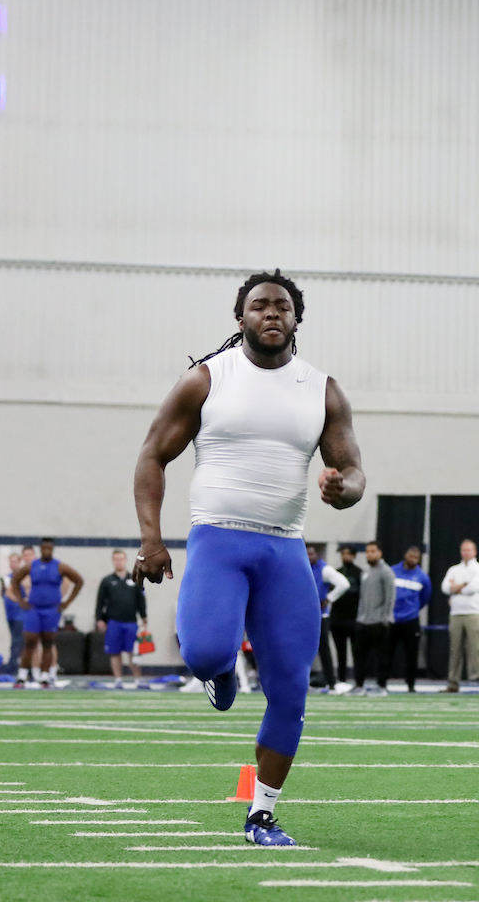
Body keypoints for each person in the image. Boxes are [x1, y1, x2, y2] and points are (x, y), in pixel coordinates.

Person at [133, 270, 365, 847]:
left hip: (285, 549)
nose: (271, 314)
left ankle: (261, 814)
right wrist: (151, 540)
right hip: (218, 539)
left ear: (296, 319)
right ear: (240, 318)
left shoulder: (323, 389)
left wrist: (346, 488)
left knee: (291, 688)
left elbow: (355, 470)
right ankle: (218, 678)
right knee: (208, 650)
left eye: (282, 307)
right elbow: (151, 456)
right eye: (259, 305)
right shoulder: (208, 379)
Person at [11, 537, 84, 688]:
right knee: (30, 640)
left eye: (49, 548)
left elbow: (78, 580)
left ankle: (45, 676)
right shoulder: (32, 566)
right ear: (40, 549)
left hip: (52, 609)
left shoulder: (60, 566)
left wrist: (67, 602)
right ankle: (22, 675)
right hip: (34, 609)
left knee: (47, 642)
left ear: (53, 549)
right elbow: (15, 579)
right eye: (44, 548)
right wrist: (20, 599)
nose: (46, 551)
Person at [96, 549, 148, 688]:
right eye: (116, 559)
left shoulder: (135, 579)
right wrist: (99, 619)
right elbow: (100, 601)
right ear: (113, 561)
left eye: (121, 559)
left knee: (134, 652)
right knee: (115, 652)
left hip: (131, 622)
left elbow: (141, 600)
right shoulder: (107, 581)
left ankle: (137, 679)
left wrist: (144, 617)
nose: (119, 561)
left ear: (125, 561)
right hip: (114, 622)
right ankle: (118, 679)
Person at [350, 542, 395, 696]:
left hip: (379, 621)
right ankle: (359, 685)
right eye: (368, 551)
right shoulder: (366, 573)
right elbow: (362, 597)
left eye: (373, 551)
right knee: (359, 656)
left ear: (380, 553)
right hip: (363, 621)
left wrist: (385, 617)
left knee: (381, 656)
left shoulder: (386, 572)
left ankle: (381, 686)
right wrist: (359, 616)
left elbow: (390, 597)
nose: (369, 554)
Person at [305, 544, 349, 694]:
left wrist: (329, 598)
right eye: (307, 554)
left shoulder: (324, 569)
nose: (309, 557)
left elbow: (343, 584)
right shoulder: (302, 567)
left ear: (316, 555)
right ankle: (303, 680)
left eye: (312, 554)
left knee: (324, 649)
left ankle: (332, 682)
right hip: (304, 615)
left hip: (320, 616)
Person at [388, 546, 431, 693]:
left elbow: (425, 598)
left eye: (416, 557)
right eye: (410, 556)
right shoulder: (392, 571)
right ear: (405, 555)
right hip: (392, 618)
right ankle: (382, 682)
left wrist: (412, 610)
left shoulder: (422, 577)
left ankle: (411, 684)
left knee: (412, 654)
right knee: (387, 652)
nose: (412, 559)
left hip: (410, 620)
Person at [440, 539, 479, 693]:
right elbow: (445, 588)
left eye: (469, 550)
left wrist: (456, 587)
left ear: (474, 551)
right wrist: (464, 584)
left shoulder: (477, 568)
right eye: (463, 550)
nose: (466, 553)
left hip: (473, 613)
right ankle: (453, 683)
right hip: (456, 614)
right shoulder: (453, 569)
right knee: (455, 650)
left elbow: (474, 587)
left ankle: (476, 676)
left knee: (476, 648)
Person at [331, 545, 363, 692]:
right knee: (340, 652)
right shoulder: (336, 573)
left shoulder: (360, 574)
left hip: (354, 618)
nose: (345, 557)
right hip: (338, 619)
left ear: (354, 555)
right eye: (343, 554)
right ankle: (342, 679)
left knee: (357, 651)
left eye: (348, 554)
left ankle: (358, 680)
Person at [1, 551, 24, 671]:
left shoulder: (22, 578)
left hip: (20, 615)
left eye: (14, 561)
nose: (12, 564)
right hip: (10, 614)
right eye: (11, 562)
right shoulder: (7, 578)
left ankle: (14, 665)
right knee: (14, 638)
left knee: (17, 640)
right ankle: (15, 663)